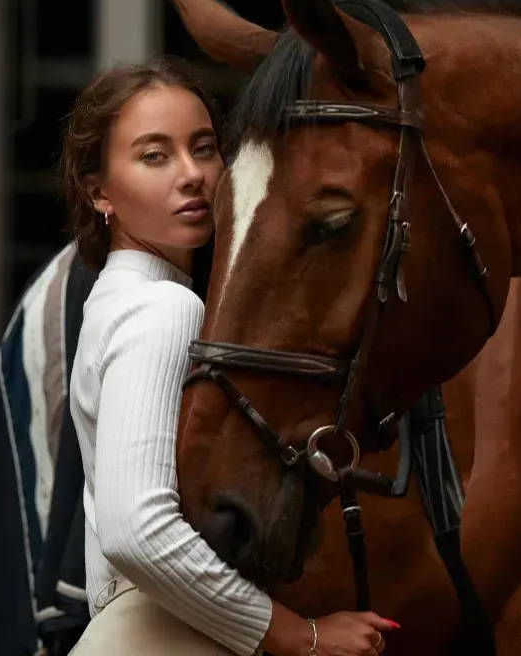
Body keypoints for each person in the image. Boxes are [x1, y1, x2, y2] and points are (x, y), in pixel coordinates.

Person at [61, 59, 399, 656]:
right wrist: (304, 635)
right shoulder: (163, 311)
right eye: (154, 156)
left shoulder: (113, 299)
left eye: (204, 148)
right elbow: (135, 532)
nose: (192, 175)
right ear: (99, 193)